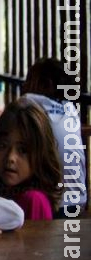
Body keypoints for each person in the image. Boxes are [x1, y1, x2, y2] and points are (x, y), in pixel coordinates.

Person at [21, 57, 87, 212]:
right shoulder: (70, 110)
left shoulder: (28, 102)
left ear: (46, 85)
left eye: (30, 80)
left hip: (52, 205)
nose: (24, 85)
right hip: (78, 202)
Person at [0, 98, 63, 220]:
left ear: (41, 156)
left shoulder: (34, 200)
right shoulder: (5, 191)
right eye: (3, 145)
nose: (10, 158)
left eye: (23, 150)